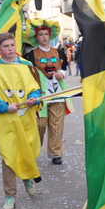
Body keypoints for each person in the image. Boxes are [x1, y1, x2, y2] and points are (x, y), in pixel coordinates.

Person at [0, 32, 42, 209]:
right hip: (5, 119)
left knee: (27, 150)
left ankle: (28, 177)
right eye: (6, 46)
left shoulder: (27, 65)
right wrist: (4, 107)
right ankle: (10, 195)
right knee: (8, 155)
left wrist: (33, 99)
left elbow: (37, 89)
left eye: (12, 45)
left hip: (26, 118)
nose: (10, 49)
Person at [24, 20, 71, 165]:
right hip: (41, 95)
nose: (44, 37)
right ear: (36, 37)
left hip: (57, 93)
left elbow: (66, 68)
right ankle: (33, 151)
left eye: (46, 34)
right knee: (40, 124)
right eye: (41, 35)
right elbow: (27, 74)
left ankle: (56, 153)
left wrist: (62, 73)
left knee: (57, 123)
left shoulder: (59, 52)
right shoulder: (31, 55)